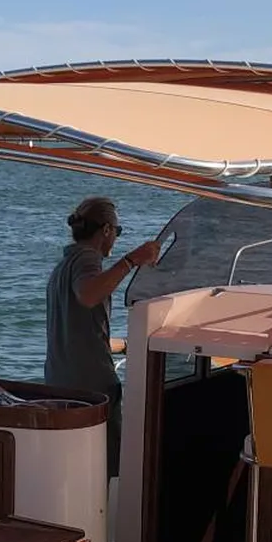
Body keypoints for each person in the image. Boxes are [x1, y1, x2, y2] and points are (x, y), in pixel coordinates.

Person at [44, 196, 160, 478]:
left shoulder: (64, 265)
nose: (116, 239)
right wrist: (132, 260)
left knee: (74, 466)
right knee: (107, 467)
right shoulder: (86, 258)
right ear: (106, 230)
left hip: (59, 382)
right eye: (117, 232)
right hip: (90, 387)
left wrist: (121, 344)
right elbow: (89, 294)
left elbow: (75, 326)